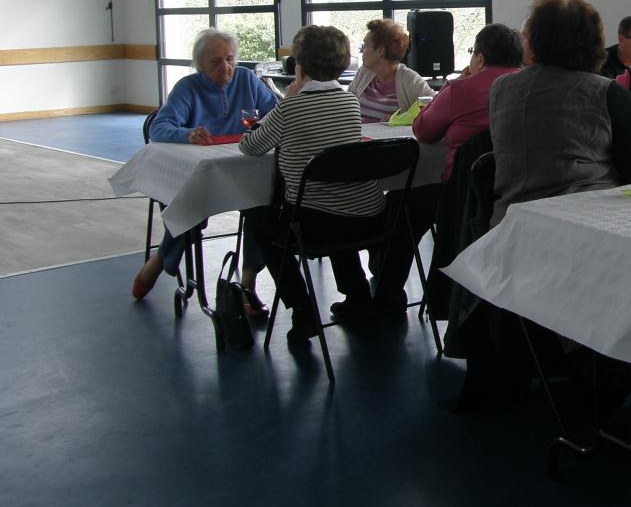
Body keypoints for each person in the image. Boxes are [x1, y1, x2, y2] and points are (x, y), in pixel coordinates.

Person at [242, 25, 411, 343]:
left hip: (316, 225)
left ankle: (302, 309)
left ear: (299, 65)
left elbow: (251, 146)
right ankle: (357, 294)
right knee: (334, 196)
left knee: (262, 223)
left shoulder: (290, 107)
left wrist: (286, 101)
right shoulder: (350, 104)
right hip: (369, 219)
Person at [131, 29, 278, 312]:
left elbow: (276, 111)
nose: (226, 67)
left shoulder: (246, 79)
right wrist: (187, 134)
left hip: (242, 167)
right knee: (191, 207)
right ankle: (161, 258)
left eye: (230, 59)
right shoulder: (188, 88)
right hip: (203, 172)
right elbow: (159, 128)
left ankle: (247, 284)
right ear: (200, 64)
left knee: (264, 205)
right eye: (216, 62)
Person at [490, 0, 631, 225]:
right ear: (592, 43)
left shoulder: (501, 89)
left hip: (511, 227)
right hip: (587, 229)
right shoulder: (607, 92)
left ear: (534, 41)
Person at [413, 23, 523, 182]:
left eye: (472, 52)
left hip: (465, 190)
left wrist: (451, 85)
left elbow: (423, 131)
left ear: (480, 59)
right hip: (517, 185)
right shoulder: (531, 87)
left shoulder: (460, 90)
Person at [348, 18, 433, 122]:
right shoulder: (364, 72)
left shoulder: (410, 79)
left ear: (380, 50)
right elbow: (347, 106)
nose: (362, 52)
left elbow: (435, 106)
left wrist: (401, 119)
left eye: (365, 46)